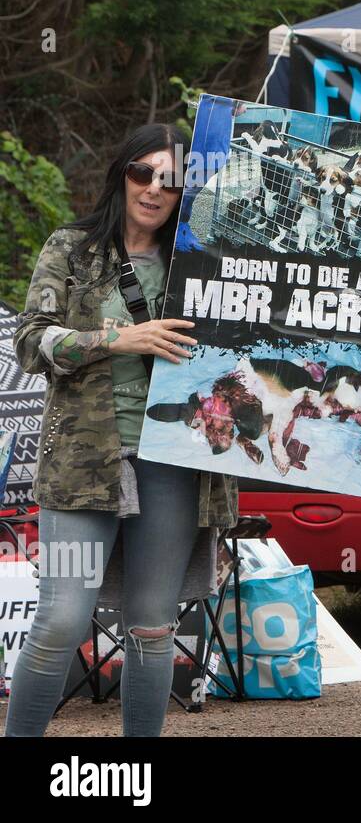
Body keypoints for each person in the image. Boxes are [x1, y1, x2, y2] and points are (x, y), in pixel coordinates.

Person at [5, 124, 236, 737]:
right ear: (121, 174)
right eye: (143, 173)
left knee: (154, 626)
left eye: (170, 179)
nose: (154, 189)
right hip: (86, 463)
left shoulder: (209, 260)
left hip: (174, 461)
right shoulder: (72, 248)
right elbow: (30, 340)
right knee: (60, 620)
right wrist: (116, 338)